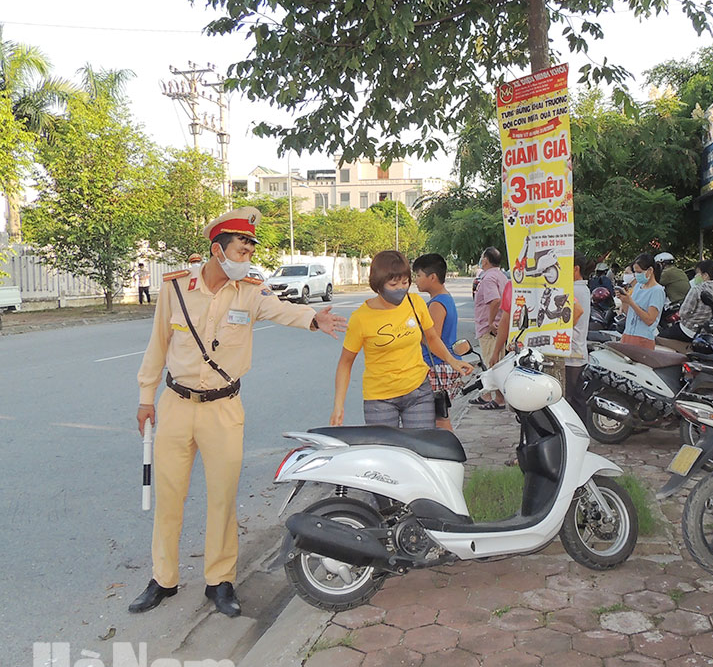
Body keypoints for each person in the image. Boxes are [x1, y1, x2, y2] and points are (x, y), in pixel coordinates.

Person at [131, 206, 349, 617]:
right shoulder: (176, 289)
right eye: (240, 248)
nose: (247, 256)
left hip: (223, 409)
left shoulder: (250, 290)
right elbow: (157, 345)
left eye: (250, 249)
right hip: (176, 405)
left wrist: (313, 320)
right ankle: (163, 579)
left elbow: (281, 309)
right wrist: (146, 398)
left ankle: (220, 581)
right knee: (170, 498)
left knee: (222, 498)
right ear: (218, 250)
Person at [331, 250, 474, 429]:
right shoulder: (361, 318)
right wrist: (338, 405)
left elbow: (430, 338)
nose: (400, 289)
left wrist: (452, 361)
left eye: (405, 282)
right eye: (393, 284)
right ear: (378, 283)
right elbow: (345, 363)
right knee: (387, 453)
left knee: (421, 449)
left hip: (418, 391)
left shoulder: (415, 303)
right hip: (380, 399)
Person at [413, 252, 461, 430]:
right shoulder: (444, 298)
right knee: (439, 416)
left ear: (432, 277)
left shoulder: (437, 304)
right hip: (441, 364)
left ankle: (449, 453)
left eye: (418, 275)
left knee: (439, 418)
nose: (415, 280)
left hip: (436, 365)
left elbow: (431, 338)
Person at [659, 259, 713, 344]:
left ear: (705, 275)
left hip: (689, 330)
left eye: (697, 274)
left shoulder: (697, 289)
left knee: (659, 339)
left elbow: (683, 313)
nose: (696, 276)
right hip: (707, 332)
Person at [472, 247, 507, 410]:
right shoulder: (501, 276)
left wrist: (491, 322)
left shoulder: (488, 278)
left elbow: (495, 300)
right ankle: (488, 395)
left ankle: (498, 398)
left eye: (482, 257)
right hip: (498, 326)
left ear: (485, 260)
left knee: (493, 362)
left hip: (490, 328)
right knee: (495, 362)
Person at [617, 253, 666, 350]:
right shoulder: (637, 287)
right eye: (635, 272)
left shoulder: (657, 291)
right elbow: (628, 312)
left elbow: (649, 320)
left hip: (643, 339)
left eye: (639, 272)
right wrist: (624, 300)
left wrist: (631, 302)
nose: (636, 275)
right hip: (627, 335)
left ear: (650, 270)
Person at [566, 252, 594, 420]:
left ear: (576, 269)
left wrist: (562, 328)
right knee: (576, 398)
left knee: (572, 400)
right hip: (577, 351)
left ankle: (577, 435)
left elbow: (577, 312)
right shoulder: (582, 288)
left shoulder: (574, 289)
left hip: (572, 352)